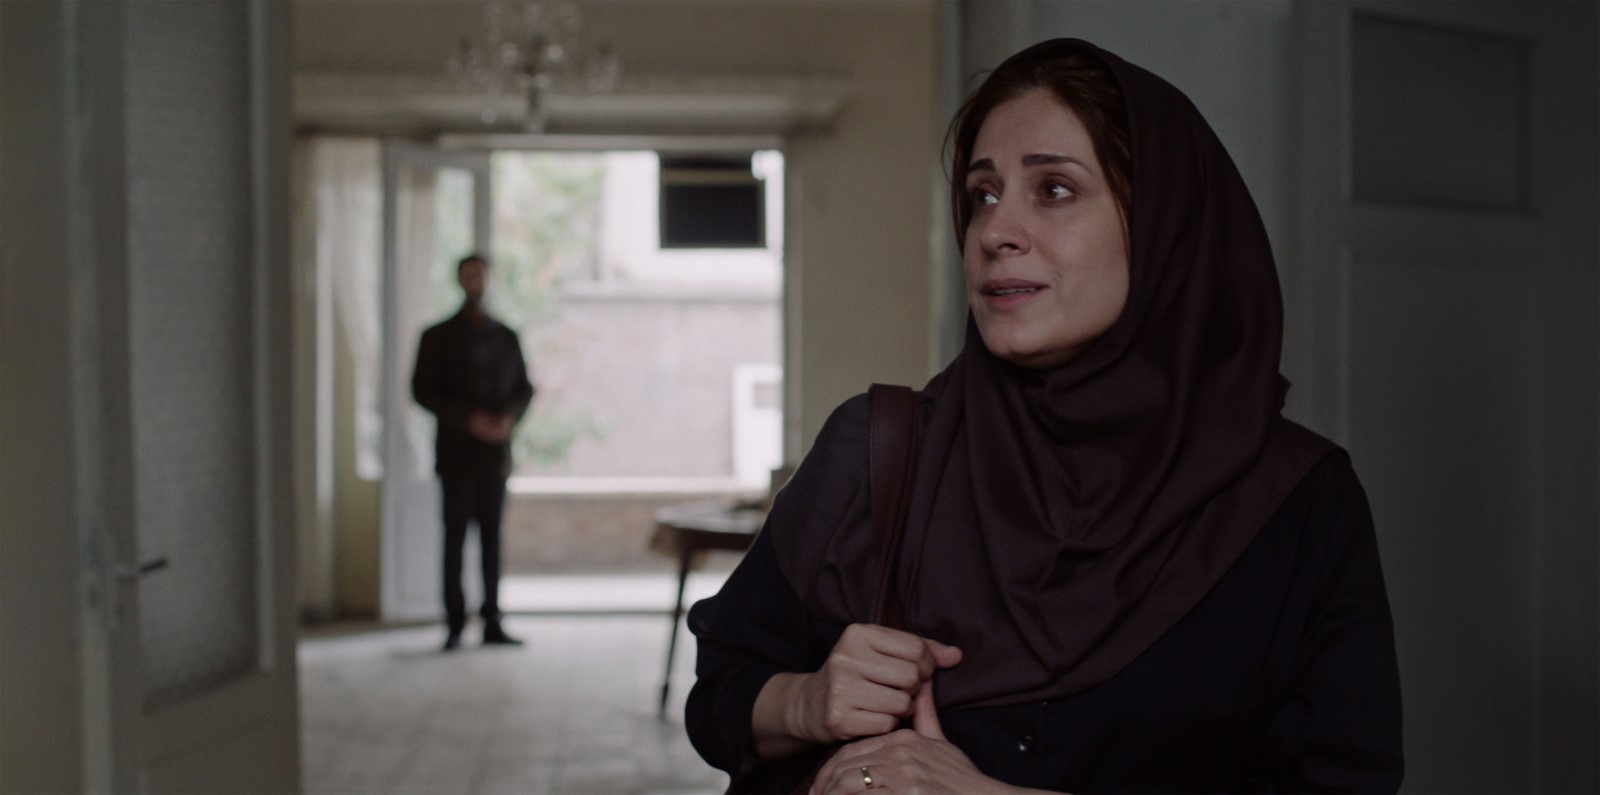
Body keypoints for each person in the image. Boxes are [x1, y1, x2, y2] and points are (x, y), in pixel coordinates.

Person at [685, 39, 1403, 794]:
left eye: (1054, 189)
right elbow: (721, 690)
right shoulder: (879, 450)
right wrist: (806, 702)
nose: (995, 231)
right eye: (982, 195)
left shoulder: (1297, 502)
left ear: (1164, 225)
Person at [412, 253, 535, 651]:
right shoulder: (437, 337)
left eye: (480, 275)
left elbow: (524, 388)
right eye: (468, 275)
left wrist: (509, 418)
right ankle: (454, 622)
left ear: (488, 279)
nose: (475, 282)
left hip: (494, 459)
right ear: (459, 280)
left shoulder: (506, 337)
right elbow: (422, 390)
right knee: (454, 542)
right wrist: (468, 420)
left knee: (491, 543)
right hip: (456, 458)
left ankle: (492, 620)